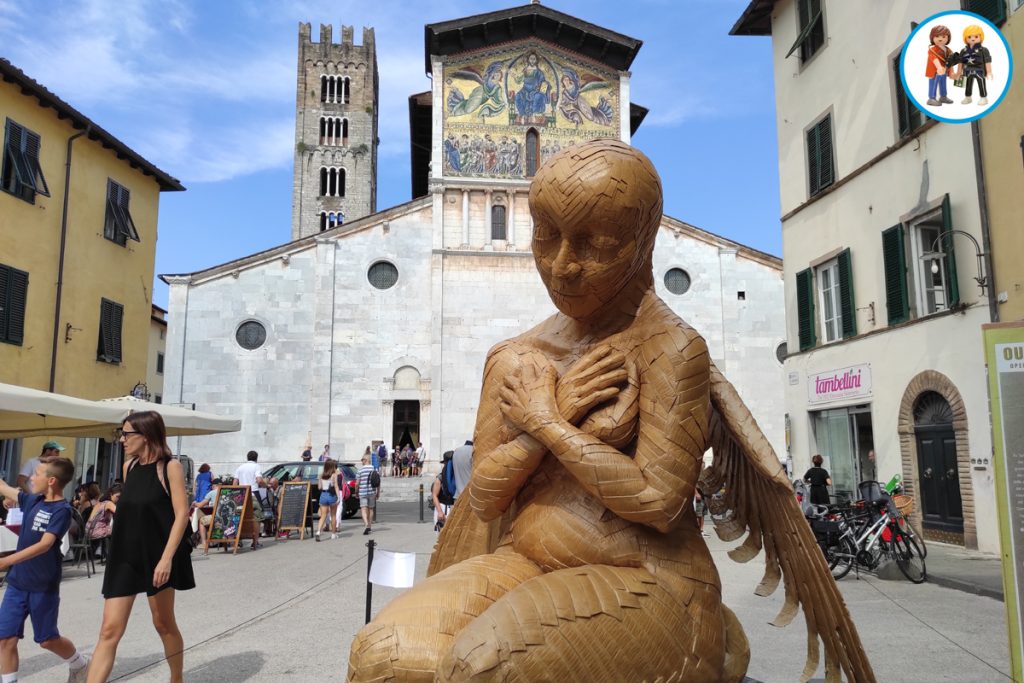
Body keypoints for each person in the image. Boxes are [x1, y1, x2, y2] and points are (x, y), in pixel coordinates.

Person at [89, 411, 195, 683]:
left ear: (146, 436)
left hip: (157, 554)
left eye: (126, 434)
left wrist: (166, 559)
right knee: (108, 630)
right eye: (121, 433)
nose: (122, 439)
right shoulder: (129, 467)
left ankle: (176, 679)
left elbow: (182, 514)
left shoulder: (169, 467)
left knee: (163, 623)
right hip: (125, 555)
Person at [0, 457, 90, 683]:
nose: (31, 478)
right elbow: (3, 488)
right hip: (17, 584)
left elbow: (45, 544)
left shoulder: (62, 510)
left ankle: (80, 664)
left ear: (51, 480)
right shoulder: (32, 500)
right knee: (5, 639)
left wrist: (6, 561)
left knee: (47, 639)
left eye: (36, 474)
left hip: (42, 585)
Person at [954, 24, 993, 106]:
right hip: (967, 70)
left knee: (981, 83)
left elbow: (987, 61)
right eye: (969, 37)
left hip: (979, 70)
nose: (972, 39)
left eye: (976, 36)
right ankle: (968, 97)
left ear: (980, 37)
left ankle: (983, 97)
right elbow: (960, 61)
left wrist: (989, 72)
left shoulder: (983, 50)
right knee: (968, 84)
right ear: (965, 38)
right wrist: (958, 72)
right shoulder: (964, 50)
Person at [232, 451, 264, 550]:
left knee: (240, 517)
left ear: (247, 457)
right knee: (256, 518)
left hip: (241, 495)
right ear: (256, 458)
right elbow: (259, 480)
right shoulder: (256, 466)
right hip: (253, 493)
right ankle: (255, 542)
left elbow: (234, 484)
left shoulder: (240, 467)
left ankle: (238, 540)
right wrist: (266, 485)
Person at [86, 484, 122, 560]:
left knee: (115, 529)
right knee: (119, 530)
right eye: (117, 496)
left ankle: (109, 554)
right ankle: (115, 556)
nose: (119, 499)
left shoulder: (101, 502)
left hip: (89, 530)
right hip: (96, 530)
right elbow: (120, 513)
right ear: (111, 494)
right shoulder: (109, 503)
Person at [925, 25, 953, 106]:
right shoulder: (932, 50)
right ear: (932, 38)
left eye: (943, 36)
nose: (940, 39)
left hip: (944, 70)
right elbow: (934, 58)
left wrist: (951, 71)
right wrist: (939, 67)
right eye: (937, 36)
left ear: (948, 38)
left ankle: (943, 96)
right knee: (933, 83)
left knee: (943, 83)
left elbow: (951, 60)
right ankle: (931, 98)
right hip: (934, 71)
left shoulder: (948, 50)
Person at [189, 482, 218, 556]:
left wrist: (194, 503)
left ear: (213, 486)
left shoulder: (212, 492)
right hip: (227, 517)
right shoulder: (227, 492)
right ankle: (232, 542)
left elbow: (201, 505)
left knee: (202, 520)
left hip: (217, 517)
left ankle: (204, 543)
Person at [316, 460, 342, 542]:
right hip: (331, 496)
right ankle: (333, 534)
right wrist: (338, 497)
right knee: (333, 515)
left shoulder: (321, 475)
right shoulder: (334, 475)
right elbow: (336, 487)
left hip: (323, 495)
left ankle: (318, 532)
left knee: (323, 515)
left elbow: (319, 487)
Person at [431, 451, 455, 532]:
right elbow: (434, 495)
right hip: (442, 507)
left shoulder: (455, 476)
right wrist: (440, 512)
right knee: (442, 536)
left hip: (452, 508)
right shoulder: (440, 478)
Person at [357, 454, 378, 535]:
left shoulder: (360, 470)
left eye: (362, 460)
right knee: (371, 509)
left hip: (362, 492)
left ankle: (366, 525)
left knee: (363, 509)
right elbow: (378, 481)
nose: (361, 461)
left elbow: (357, 483)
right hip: (372, 492)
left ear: (365, 460)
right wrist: (378, 492)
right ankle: (369, 526)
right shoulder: (374, 469)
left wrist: (356, 491)